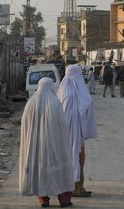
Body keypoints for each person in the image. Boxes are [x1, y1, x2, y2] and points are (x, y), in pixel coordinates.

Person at [19, 77, 74, 208]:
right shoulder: (55, 103)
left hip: (37, 147)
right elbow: (63, 125)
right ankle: (64, 200)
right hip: (55, 145)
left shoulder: (31, 102)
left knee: (40, 170)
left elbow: (25, 125)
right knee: (61, 170)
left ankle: (43, 199)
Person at [57, 64, 98, 197]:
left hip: (65, 134)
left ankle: (69, 187)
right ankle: (76, 188)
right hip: (74, 133)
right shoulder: (78, 91)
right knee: (78, 158)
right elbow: (86, 106)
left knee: (69, 158)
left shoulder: (62, 90)